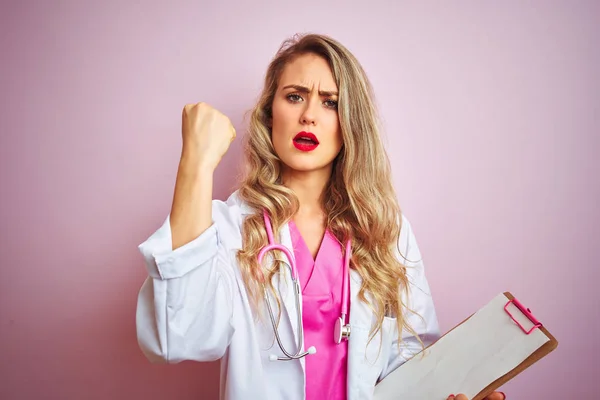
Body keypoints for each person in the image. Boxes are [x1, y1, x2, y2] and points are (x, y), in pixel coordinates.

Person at [135, 33, 506, 400]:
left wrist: (450, 392)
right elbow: (179, 337)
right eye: (294, 97)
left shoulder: (387, 231)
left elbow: (409, 360)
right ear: (269, 113)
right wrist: (196, 164)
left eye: (330, 103)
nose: (309, 115)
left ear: (349, 123)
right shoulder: (230, 227)